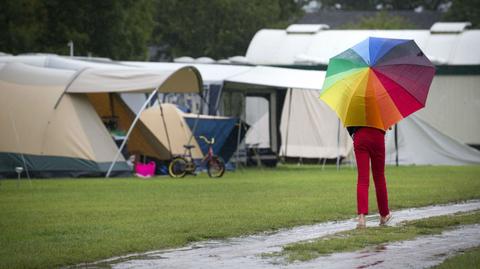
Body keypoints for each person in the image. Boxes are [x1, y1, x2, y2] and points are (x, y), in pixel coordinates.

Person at [347, 126, 392, 228]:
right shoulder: (380, 108)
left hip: (360, 136)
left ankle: (361, 218)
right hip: (377, 135)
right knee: (379, 177)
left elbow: (348, 123)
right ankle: (384, 215)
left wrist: (353, 134)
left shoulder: (354, 108)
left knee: (362, 178)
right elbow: (386, 122)